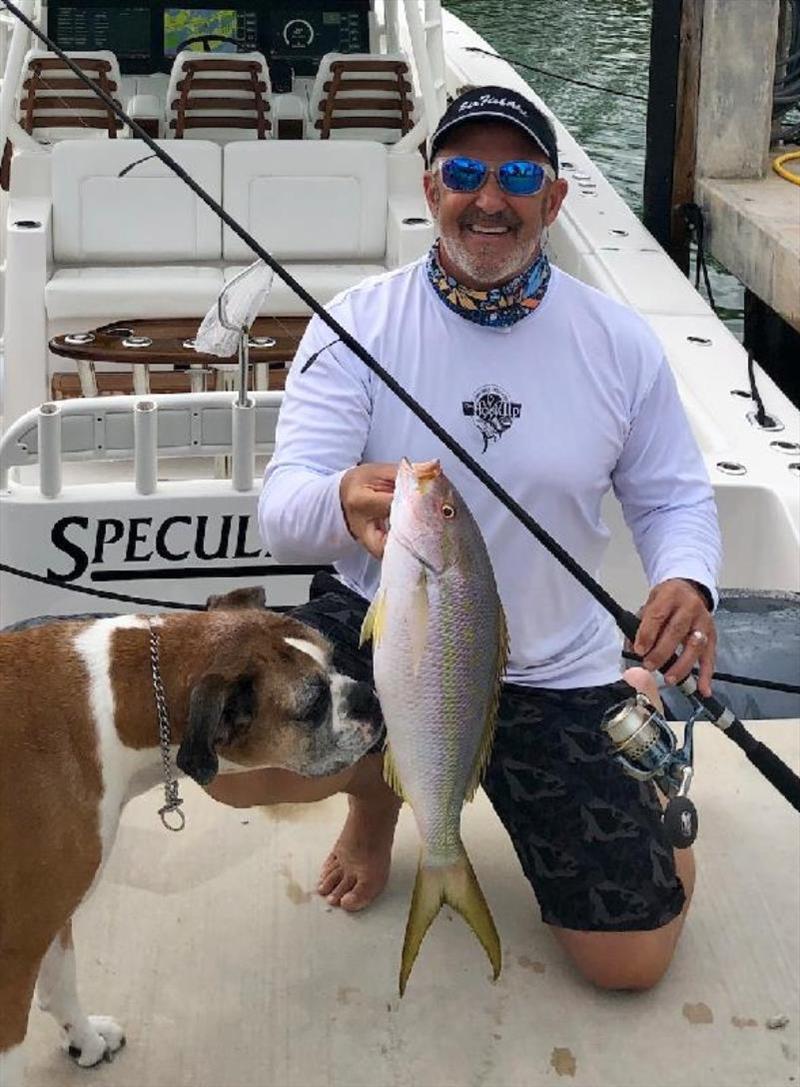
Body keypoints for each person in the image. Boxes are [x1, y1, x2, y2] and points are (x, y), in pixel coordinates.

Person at [207, 86, 721, 992]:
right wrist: (342, 497)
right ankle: (375, 804)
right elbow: (282, 508)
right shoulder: (354, 327)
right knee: (230, 764)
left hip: (557, 667)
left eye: (519, 173)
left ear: (555, 198)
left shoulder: (618, 344)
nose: (491, 197)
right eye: (465, 173)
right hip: (383, 625)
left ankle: (638, 754)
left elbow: (674, 497)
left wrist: (687, 580)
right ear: (429, 186)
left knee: (631, 963)